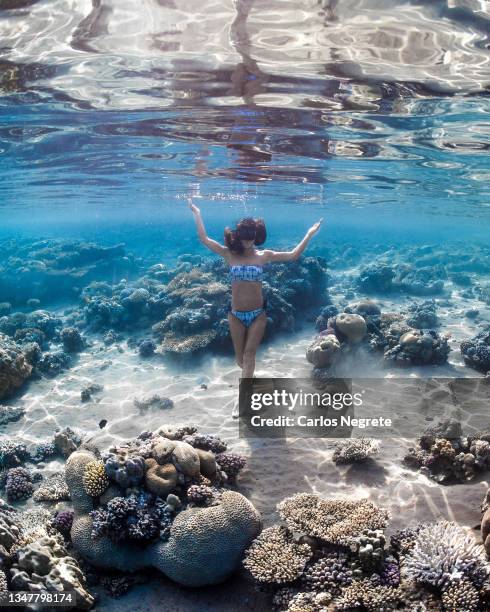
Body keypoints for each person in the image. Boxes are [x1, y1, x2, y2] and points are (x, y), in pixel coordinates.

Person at [189, 199, 323, 380]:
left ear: (256, 235)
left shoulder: (264, 255)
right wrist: (197, 214)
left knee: (249, 355)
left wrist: (309, 234)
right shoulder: (230, 254)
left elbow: (292, 255)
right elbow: (204, 239)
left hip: (258, 315)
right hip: (235, 315)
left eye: (250, 235)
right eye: (244, 235)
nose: (247, 240)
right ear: (238, 235)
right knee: (240, 359)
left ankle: (246, 395)